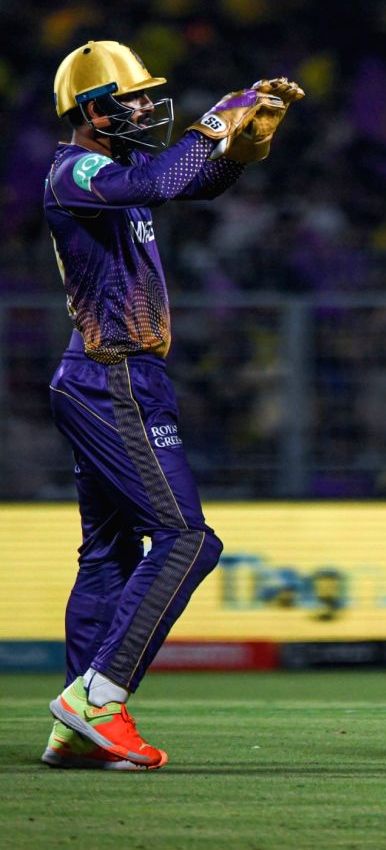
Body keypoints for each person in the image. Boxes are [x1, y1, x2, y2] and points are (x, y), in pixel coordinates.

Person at [42, 40, 303, 770]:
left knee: (109, 554)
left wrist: (240, 153)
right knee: (189, 540)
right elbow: (159, 184)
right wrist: (215, 121)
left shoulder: (117, 173)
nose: (145, 109)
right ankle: (99, 698)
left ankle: (75, 727)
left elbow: (189, 185)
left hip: (105, 375)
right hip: (112, 376)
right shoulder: (77, 169)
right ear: (92, 111)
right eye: (129, 99)